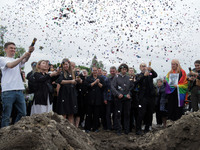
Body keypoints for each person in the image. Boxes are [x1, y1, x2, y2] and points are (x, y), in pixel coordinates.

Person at [0, 42, 34, 128]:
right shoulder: (2, 59)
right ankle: (5, 134)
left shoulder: (17, 60)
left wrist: (29, 52)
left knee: (23, 113)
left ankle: (14, 129)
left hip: (19, 90)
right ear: (5, 49)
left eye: (14, 48)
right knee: (6, 115)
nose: (13, 50)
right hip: (8, 91)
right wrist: (23, 56)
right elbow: (11, 65)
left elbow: (25, 60)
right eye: (11, 48)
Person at [135, 63, 157, 135]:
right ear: (140, 68)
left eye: (145, 66)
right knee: (141, 113)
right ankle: (138, 129)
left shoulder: (150, 74)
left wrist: (152, 70)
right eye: (142, 66)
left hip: (151, 96)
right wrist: (144, 76)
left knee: (149, 112)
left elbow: (155, 75)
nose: (144, 67)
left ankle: (147, 128)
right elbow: (136, 82)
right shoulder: (138, 75)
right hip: (143, 97)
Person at [111, 64, 132, 135]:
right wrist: (117, 94)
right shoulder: (116, 77)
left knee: (127, 114)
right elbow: (113, 87)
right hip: (119, 99)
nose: (124, 71)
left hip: (127, 99)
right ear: (120, 69)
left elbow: (131, 88)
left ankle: (126, 130)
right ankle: (118, 130)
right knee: (118, 114)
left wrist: (129, 94)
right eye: (123, 69)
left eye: (125, 69)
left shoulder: (128, 78)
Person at [56, 58, 78, 125]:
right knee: (64, 113)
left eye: (66, 64)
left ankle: (71, 129)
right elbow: (60, 81)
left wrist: (78, 80)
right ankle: (63, 128)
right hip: (64, 94)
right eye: (64, 64)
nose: (65, 66)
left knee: (71, 113)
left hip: (72, 94)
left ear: (69, 64)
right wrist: (71, 81)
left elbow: (77, 82)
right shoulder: (61, 73)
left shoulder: (73, 73)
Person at [85, 66, 105, 132]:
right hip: (90, 98)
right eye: (93, 70)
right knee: (89, 114)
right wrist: (94, 82)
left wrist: (98, 82)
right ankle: (87, 128)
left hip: (98, 99)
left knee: (96, 115)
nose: (95, 72)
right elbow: (87, 86)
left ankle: (95, 128)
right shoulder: (88, 78)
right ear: (91, 71)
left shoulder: (101, 78)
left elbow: (103, 87)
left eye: (96, 70)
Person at [104, 66, 116, 131]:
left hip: (116, 98)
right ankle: (109, 127)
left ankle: (115, 126)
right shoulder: (107, 79)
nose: (112, 72)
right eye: (111, 71)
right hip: (109, 98)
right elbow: (105, 90)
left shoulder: (118, 78)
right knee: (108, 113)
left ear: (116, 71)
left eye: (113, 71)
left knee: (115, 113)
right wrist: (105, 98)